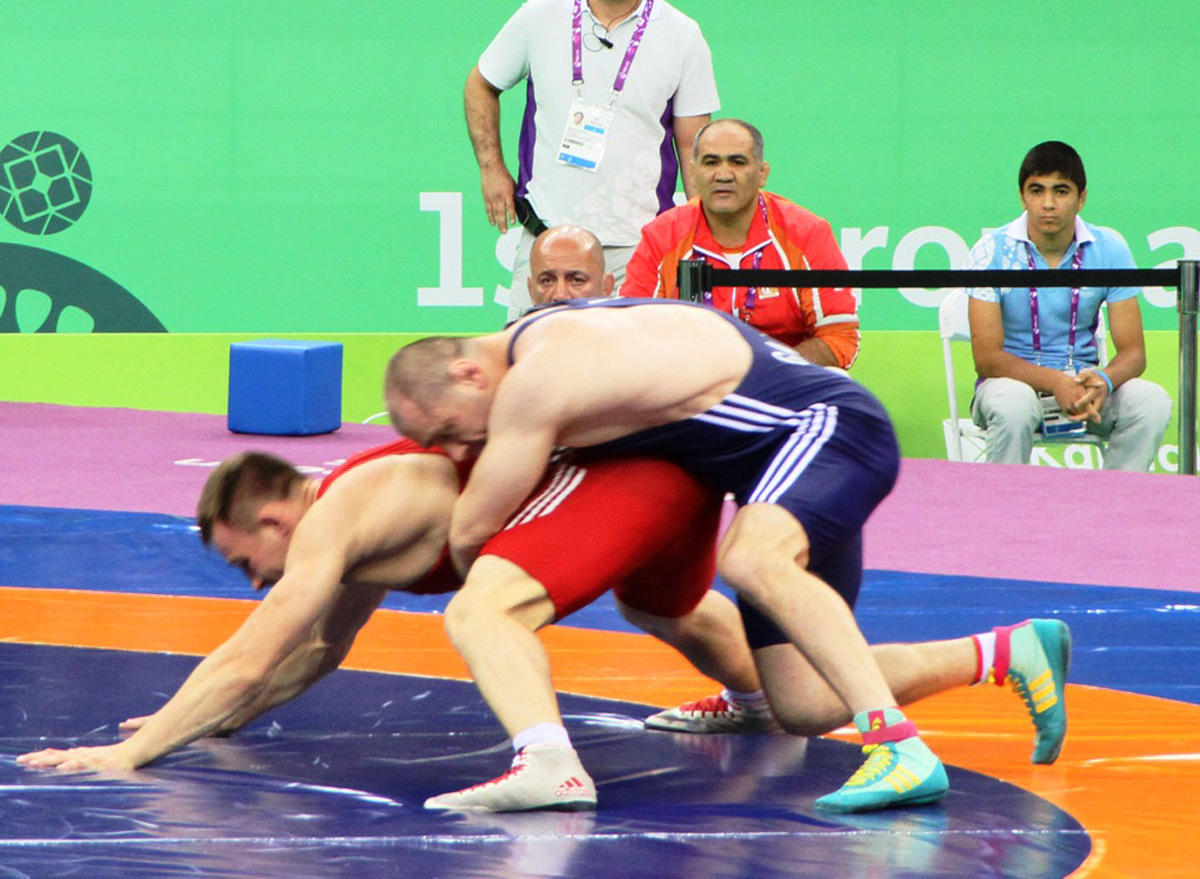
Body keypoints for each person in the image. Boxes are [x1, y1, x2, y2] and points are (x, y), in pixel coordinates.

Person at [384, 299, 1073, 813]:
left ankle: (898, 745)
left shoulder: (538, 379)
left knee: (750, 558)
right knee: (802, 703)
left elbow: (477, 527)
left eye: (447, 432)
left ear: (469, 373)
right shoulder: (553, 332)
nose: (456, 452)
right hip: (793, 458)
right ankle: (1006, 651)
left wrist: (413, 561)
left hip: (829, 428)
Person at [17, 439, 769, 813]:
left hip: (621, 490)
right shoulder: (350, 521)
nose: (255, 581)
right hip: (633, 498)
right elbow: (315, 648)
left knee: (482, 612)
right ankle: (794, 696)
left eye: (249, 561)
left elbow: (254, 650)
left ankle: (552, 763)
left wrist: (134, 752)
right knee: (788, 687)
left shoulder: (335, 517)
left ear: (275, 518)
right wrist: (211, 719)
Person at [465, 0, 719, 319]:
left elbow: (693, 147)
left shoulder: (682, 34)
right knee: (532, 361)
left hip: (638, 251)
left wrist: (702, 236)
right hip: (546, 242)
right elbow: (481, 84)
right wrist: (492, 170)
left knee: (629, 365)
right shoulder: (539, 14)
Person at [965, 140, 1172, 469]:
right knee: (1013, 405)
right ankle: (1001, 515)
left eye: (1061, 191)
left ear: (1081, 198)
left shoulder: (1110, 248)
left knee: (1151, 401)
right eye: (1037, 191)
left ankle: (1116, 510)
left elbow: (1134, 353)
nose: (1048, 204)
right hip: (1013, 388)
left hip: (1084, 389)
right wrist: (1056, 382)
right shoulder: (991, 250)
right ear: (1022, 196)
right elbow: (988, 360)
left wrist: (1102, 381)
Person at [620, 118, 860, 370]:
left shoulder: (808, 233)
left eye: (737, 162)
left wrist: (767, 373)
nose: (723, 175)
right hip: (692, 386)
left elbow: (839, 337)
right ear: (693, 172)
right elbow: (634, 335)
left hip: (786, 383)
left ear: (762, 173)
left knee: (837, 380)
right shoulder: (661, 236)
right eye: (711, 162)